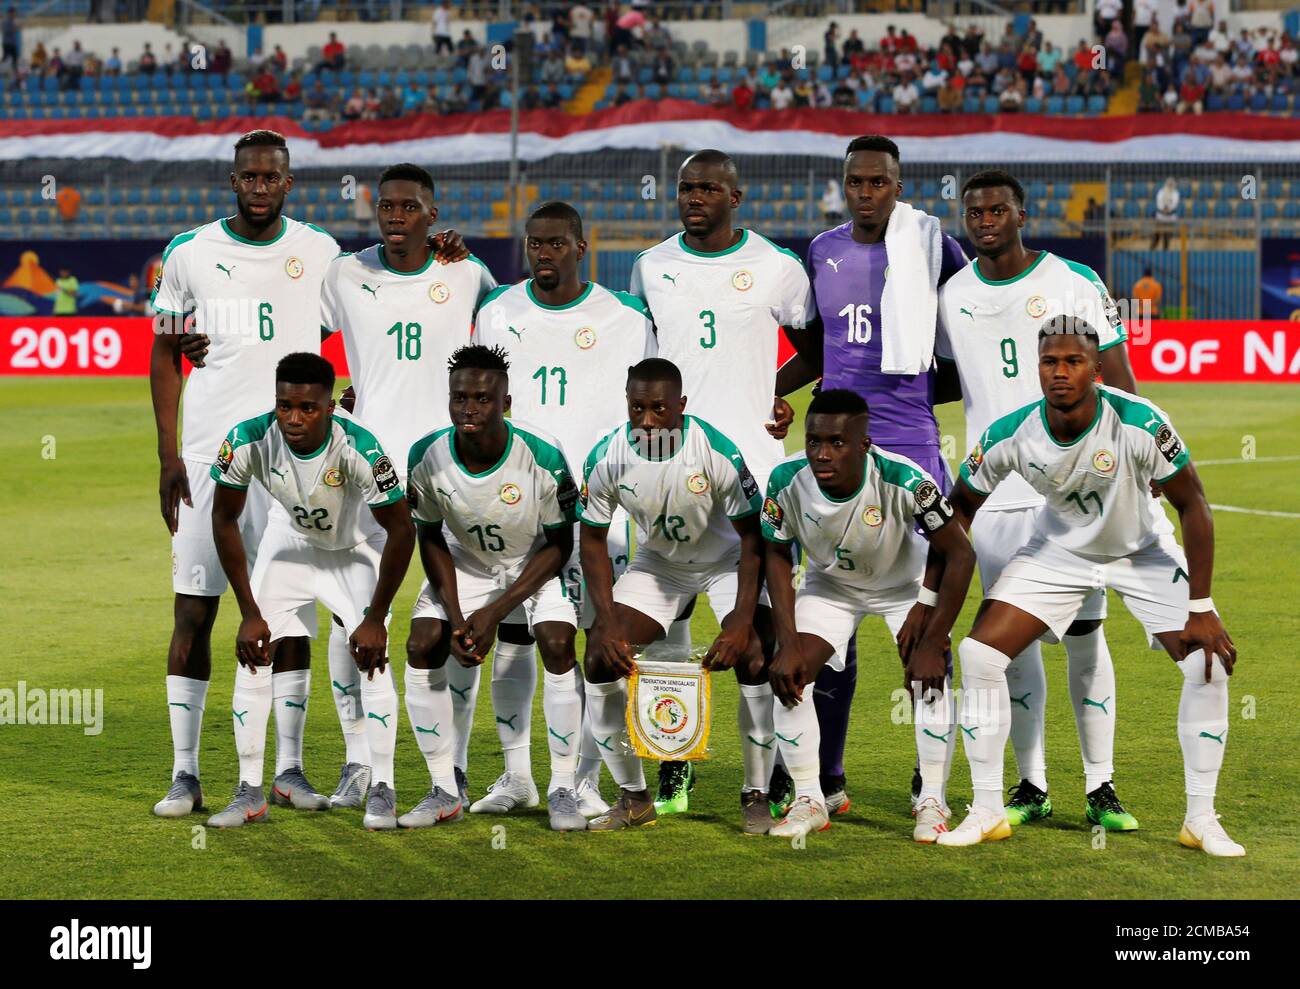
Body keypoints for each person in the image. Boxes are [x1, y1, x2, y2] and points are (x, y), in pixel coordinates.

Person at [935, 318, 1243, 858]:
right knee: (979, 655)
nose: (1060, 372)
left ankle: (1201, 817)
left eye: (1073, 361)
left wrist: (1202, 606)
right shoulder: (1012, 433)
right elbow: (959, 507)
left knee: (1207, 663)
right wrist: (931, 599)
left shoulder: (1141, 422)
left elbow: (1194, 504)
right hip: (1059, 552)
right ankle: (986, 810)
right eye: (1050, 362)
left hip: (1139, 550)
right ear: (1038, 369)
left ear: (1097, 371)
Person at [937, 169, 1148, 832]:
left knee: (1086, 634)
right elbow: (944, 376)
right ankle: (1032, 783)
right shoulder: (954, 294)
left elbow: (1121, 382)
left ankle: (1101, 784)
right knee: (1012, 648)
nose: (985, 219)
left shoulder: (1074, 280)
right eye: (974, 211)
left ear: (1022, 213)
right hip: (996, 494)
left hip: (1075, 491)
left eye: (998, 208)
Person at [147, 131, 343, 820]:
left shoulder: (319, 252)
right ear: (232, 180)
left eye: (272, 177)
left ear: (290, 183)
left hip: (294, 463)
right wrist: (170, 455)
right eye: (248, 176)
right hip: (206, 456)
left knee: (289, 613)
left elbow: (353, 323)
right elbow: (165, 351)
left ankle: (288, 767)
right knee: (193, 609)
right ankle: (185, 773)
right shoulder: (190, 252)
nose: (259, 186)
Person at [785, 135, 968, 817]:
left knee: (919, 625)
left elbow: (959, 343)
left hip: (910, 450)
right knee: (834, 618)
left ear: (899, 184)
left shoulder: (933, 245)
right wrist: (773, 391)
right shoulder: (820, 250)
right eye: (855, 182)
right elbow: (815, 346)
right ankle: (827, 778)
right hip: (834, 455)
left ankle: (931, 786)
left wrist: (913, 394)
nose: (866, 194)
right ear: (843, 185)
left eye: (878, 183)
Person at [629, 150, 812, 817]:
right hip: (664, 474)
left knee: (757, 636)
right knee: (666, 627)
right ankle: (674, 757)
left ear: (737, 194)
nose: (694, 197)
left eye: (708, 187)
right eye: (685, 188)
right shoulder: (652, 267)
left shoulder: (778, 268)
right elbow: (641, 365)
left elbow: (815, 344)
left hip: (754, 477)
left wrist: (776, 390)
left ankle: (765, 779)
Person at [321, 163, 496, 808]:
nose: (394, 217)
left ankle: (453, 770)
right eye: (385, 207)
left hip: (450, 473)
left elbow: (506, 343)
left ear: (432, 212)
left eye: (407, 207)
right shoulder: (344, 273)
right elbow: (295, 336)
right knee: (351, 620)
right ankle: (358, 762)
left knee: (457, 619)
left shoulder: (466, 273)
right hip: (365, 473)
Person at [472, 200, 653, 818]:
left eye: (556, 244)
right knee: (519, 641)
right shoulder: (497, 312)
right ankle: (517, 776)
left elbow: (651, 404)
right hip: (520, 508)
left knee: (598, 645)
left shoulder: (626, 317)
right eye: (534, 245)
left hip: (601, 510)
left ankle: (587, 780)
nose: (543, 255)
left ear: (582, 248)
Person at [207, 353, 414, 830]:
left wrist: (374, 616)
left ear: (329, 406)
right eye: (284, 406)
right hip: (292, 544)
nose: (293, 419)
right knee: (254, 651)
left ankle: (382, 787)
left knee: (373, 660)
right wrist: (248, 610)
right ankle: (249, 790)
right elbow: (223, 519)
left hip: (355, 550)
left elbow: (402, 530)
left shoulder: (360, 448)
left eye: (308, 408)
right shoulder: (247, 440)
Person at [763, 390, 975, 840]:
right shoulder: (784, 480)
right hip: (832, 588)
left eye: (838, 443)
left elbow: (959, 554)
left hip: (904, 589)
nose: (823, 454)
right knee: (790, 674)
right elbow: (777, 555)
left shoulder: (905, 479)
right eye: (814, 441)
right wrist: (786, 643)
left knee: (927, 677)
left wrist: (934, 633)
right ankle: (809, 799)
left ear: (865, 444)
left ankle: (932, 799)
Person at [579, 358, 771, 833]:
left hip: (725, 562)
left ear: (681, 407)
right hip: (660, 565)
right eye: (637, 408)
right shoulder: (607, 456)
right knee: (601, 660)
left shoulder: (715, 451)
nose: (647, 420)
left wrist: (741, 622)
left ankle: (757, 792)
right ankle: (634, 798)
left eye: (659, 409)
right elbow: (592, 540)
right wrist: (604, 623)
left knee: (755, 658)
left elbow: (754, 540)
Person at [405, 344, 586, 831]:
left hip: (534, 563)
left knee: (556, 640)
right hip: (467, 562)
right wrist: (460, 615)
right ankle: (445, 788)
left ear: (506, 402)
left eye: (483, 399)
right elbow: (428, 535)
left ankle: (563, 787)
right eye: (460, 398)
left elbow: (558, 544)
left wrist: (494, 612)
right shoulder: (426, 456)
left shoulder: (541, 456)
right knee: (423, 643)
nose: (470, 409)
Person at [1152, 176, 1180, 248]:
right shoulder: (1160, 192)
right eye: (1169, 184)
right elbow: (1159, 202)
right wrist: (1164, 208)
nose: (1170, 185)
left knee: (1167, 235)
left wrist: (1169, 208)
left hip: (1170, 217)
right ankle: (1153, 248)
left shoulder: (1176, 193)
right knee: (1157, 234)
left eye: (1171, 184)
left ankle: (1165, 250)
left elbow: (1175, 203)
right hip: (1160, 216)